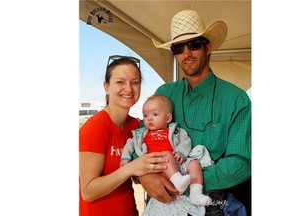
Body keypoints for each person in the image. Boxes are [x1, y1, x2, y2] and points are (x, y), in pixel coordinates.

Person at [139, 10, 251, 216]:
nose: (186, 53)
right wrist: (145, 177)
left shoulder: (236, 99)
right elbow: (142, 138)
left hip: (211, 204)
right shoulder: (165, 93)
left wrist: (190, 181)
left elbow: (242, 162)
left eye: (194, 44)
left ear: (207, 48)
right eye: (178, 48)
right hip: (162, 198)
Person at [79, 55, 169, 216]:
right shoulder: (94, 128)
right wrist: (130, 168)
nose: (128, 88)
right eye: (120, 82)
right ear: (106, 86)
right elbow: (88, 191)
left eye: (135, 82)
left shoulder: (135, 126)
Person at [120, 94, 213, 206]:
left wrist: (180, 152)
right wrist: (125, 157)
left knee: (194, 164)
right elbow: (130, 143)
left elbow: (186, 141)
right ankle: (178, 181)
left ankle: (196, 193)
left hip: (177, 163)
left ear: (168, 118)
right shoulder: (142, 134)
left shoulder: (175, 131)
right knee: (166, 155)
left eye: (155, 114)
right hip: (157, 166)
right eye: (145, 115)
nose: (149, 118)